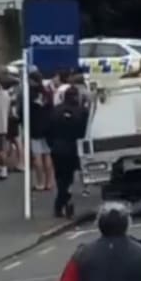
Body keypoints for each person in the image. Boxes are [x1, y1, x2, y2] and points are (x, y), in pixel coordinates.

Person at [49, 87, 88, 219]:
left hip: (57, 148)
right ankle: (67, 202)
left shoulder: (55, 111)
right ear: (76, 97)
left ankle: (60, 203)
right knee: (72, 179)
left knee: (60, 178)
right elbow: (84, 131)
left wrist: (52, 144)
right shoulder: (82, 112)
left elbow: (48, 130)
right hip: (74, 148)